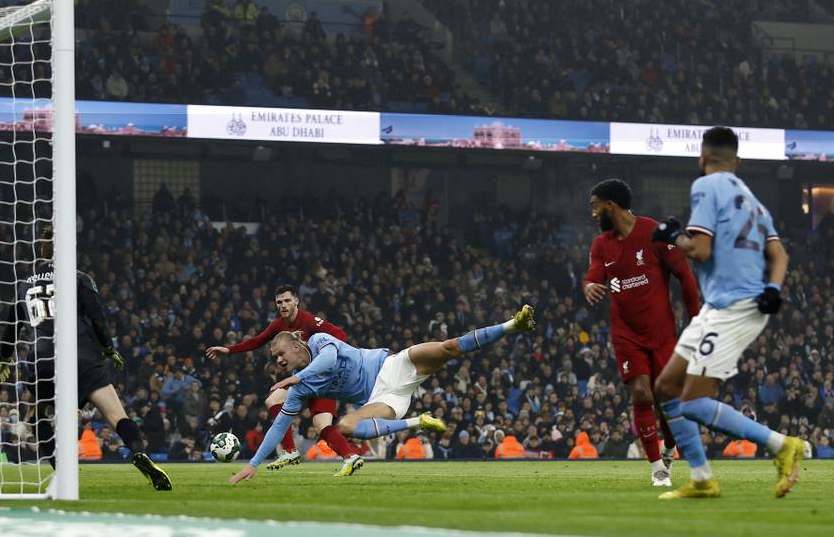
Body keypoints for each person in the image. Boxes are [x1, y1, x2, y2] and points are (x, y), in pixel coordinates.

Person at [652, 126, 803, 500]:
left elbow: (700, 251)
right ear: (737, 162)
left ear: (702, 159)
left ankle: (781, 444)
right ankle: (702, 479)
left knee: (693, 402)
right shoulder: (754, 201)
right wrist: (774, 289)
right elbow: (779, 255)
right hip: (726, 304)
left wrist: (672, 237)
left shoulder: (705, 186)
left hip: (734, 307)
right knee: (666, 386)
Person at [228, 305, 536, 484]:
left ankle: (513, 324)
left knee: (449, 347)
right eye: (277, 359)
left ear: (296, 347)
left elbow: (330, 361)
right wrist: (253, 464)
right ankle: (418, 422)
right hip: (384, 401)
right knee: (346, 426)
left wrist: (297, 376)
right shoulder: (300, 388)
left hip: (393, 366)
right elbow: (280, 425)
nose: (279, 361)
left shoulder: (321, 341)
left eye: (281, 354)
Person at [0, 226, 172, 490]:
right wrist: (109, 348)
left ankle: (61, 468)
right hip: (82, 355)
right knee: (116, 414)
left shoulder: (24, 284)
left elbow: (10, 325)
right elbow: (97, 316)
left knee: (36, 418)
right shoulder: (78, 277)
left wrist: (5, 357)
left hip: (42, 358)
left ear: (41, 250)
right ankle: (138, 452)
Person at [583, 178, 701, 486]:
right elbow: (594, 273)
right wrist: (589, 286)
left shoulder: (655, 232)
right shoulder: (601, 245)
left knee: (667, 402)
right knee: (640, 393)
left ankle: (670, 448)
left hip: (662, 334)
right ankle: (657, 470)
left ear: (611, 206)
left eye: (595, 207)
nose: (594, 214)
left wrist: (697, 321)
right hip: (626, 334)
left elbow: (685, 278)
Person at [205, 284, 358, 472]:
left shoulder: (308, 321)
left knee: (321, 425)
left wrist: (330, 359)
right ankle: (291, 451)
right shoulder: (278, 325)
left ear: (296, 301)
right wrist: (229, 350)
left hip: (320, 380)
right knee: (273, 399)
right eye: (279, 302)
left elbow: (339, 334)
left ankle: (350, 457)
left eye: (287, 300)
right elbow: (257, 341)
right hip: (300, 381)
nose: (283, 305)